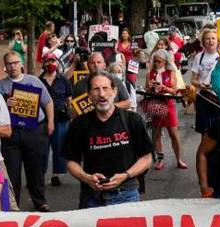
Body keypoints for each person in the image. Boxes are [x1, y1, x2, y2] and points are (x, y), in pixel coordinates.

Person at [62, 72, 153, 208]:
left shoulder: (132, 120)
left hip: (126, 195)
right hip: (91, 198)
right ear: (89, 95)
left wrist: (125, 175)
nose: (102, 94)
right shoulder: (79, 124)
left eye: (105, 88)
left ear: (115, 92)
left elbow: (146, 158)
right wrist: (87, 178)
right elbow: (71, 162)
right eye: (96, 89)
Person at [0, 51, 55, 212]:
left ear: (21, 63)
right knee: (12, 170)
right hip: (11, 132)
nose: (13, 66)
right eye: (9, 64)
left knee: (35, 168)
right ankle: (13, 204)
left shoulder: (34, 81)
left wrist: (50, 122)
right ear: (5, 67)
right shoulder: (0, 86)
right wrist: (5, 103)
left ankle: (40, 201)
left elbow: (48, 102)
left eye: (15, 63)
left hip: (35, 129)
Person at [144, 49, 187, 170]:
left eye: (160, 61)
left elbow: (174, 90)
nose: (157, 63)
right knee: (156, 134)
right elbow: (146, 89)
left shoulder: (171, 72)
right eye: (155, 61)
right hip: (156, 104)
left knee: (173, 133)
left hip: (168, 104)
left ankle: (179, 159)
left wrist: (164, 87)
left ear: (165, 61)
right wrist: (150, 87)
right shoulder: (150, 73)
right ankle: (160, 160)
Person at [39, 53, 73, 187]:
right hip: (43, 119)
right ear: (43, 64)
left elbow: (69, 97)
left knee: (59, 146)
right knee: (42, 149)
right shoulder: (39, 80)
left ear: (57, 63)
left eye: (53, 61)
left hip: (61, 117)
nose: (50, 64)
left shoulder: (63, 79)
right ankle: (39, 174)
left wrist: (70, 111)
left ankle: (56, 175)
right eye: (47, 61)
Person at [188, 28, 220, 134]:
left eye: (213, 38)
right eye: (207, 39)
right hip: (204, 97)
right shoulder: (198, 57)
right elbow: (193, 80)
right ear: (203, 42)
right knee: (205, 131)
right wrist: (200, 84)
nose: (210, 41)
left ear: (217, 41)